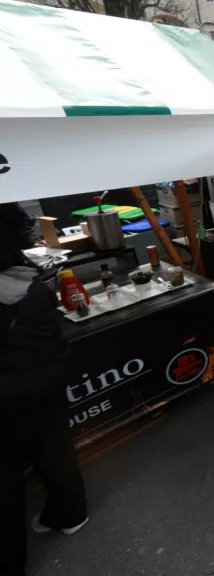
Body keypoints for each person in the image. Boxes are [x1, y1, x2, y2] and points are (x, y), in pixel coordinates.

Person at [1, 205, 88, 576]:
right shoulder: (32, 289)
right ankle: (71, 514)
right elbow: (56, 340)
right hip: (44, 385)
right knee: (54, 450)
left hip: (9, 396)